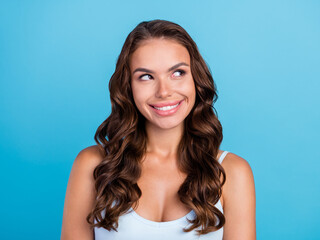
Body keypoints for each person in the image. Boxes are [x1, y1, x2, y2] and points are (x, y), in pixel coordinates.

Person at [61, 19, 256, 240]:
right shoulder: (94, 165)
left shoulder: (233, 173)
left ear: (196, 79)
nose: (164, 91)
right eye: (146, 77)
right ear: (128, 87)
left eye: (178, 73)